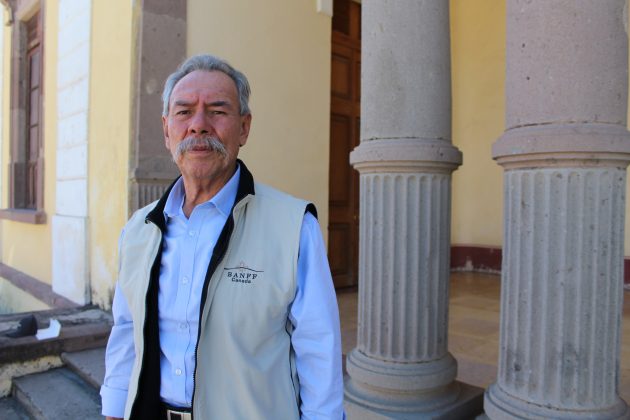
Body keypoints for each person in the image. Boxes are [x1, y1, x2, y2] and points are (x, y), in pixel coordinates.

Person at [100, 54, 345, 420]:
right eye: (184, 112)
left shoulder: (292, 225)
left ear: (244, 128)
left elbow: (318, 347)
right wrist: (115, 409)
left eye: (217, 111)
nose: (199, 125)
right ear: (167, 130)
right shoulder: (139, 229)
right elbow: (126, 329)